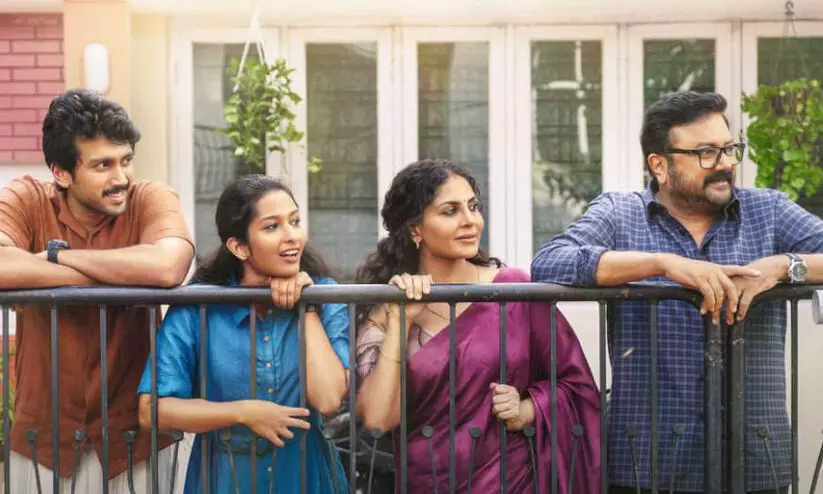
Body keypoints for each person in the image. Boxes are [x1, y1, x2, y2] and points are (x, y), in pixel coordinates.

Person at [531, 91, 823, 493]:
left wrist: (782, 267)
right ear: (660, 165)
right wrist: (662, 264)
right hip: (646, 463)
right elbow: (550, 262)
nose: (726, 163)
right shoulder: (620, 212)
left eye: (729, 148)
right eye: (706, 153)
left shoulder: (768, 211)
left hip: (754, 459)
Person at [355, 159, 601, 493]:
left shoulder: (513, 291)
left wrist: (528, 408)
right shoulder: (387, 311)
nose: (470, 220)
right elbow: (377, 419)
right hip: (427, 481)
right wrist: (402, 320)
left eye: (473, 207)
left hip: (512, 481)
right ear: (415, 229)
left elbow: (577, 385)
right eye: (450, 211)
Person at [0, 89, 194, 493]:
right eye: (103, 165)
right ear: (61, 173)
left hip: (137, 442)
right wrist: (122, 274)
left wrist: (58, 258)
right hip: (43, 443)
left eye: (126, 160)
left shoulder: (151, 198)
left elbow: (168, 266)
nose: (120, 178)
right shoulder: (26, 198)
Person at [137, 174, 350, 493]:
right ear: (239, 246)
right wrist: (242, 413)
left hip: (306, 477)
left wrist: (306, 308)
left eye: (295, 221)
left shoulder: (324, 296)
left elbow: (329, 400)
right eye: (272, 226)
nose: (292, 236)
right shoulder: (198, 307)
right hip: (224, 480)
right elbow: (151, 411)